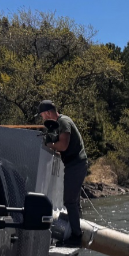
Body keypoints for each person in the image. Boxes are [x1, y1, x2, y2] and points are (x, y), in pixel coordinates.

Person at [38, 100, 87, 248]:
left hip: (76, 164)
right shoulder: (60, 123)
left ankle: (76, 236)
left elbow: (63, 145)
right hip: (74, 165)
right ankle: (75, 232)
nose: (43, 119)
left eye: (42, 116)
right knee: (74, 202)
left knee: (70, 202)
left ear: (48, 113)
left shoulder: (63, 122)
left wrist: (47, 144)